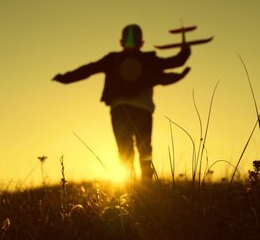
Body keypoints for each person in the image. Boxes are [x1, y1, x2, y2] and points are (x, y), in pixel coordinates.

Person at [53, 24, 191, 181]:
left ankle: (129, 186)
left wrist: (65, 78)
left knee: (124, 151)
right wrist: (185, 50)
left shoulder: (112, 60)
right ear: (142, 43)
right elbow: (176, 61)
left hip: (119, 110)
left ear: (121, 42)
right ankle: (146, 185)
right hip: (143, 110)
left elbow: (88, 69)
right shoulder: (148, 59)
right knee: (145, 149)